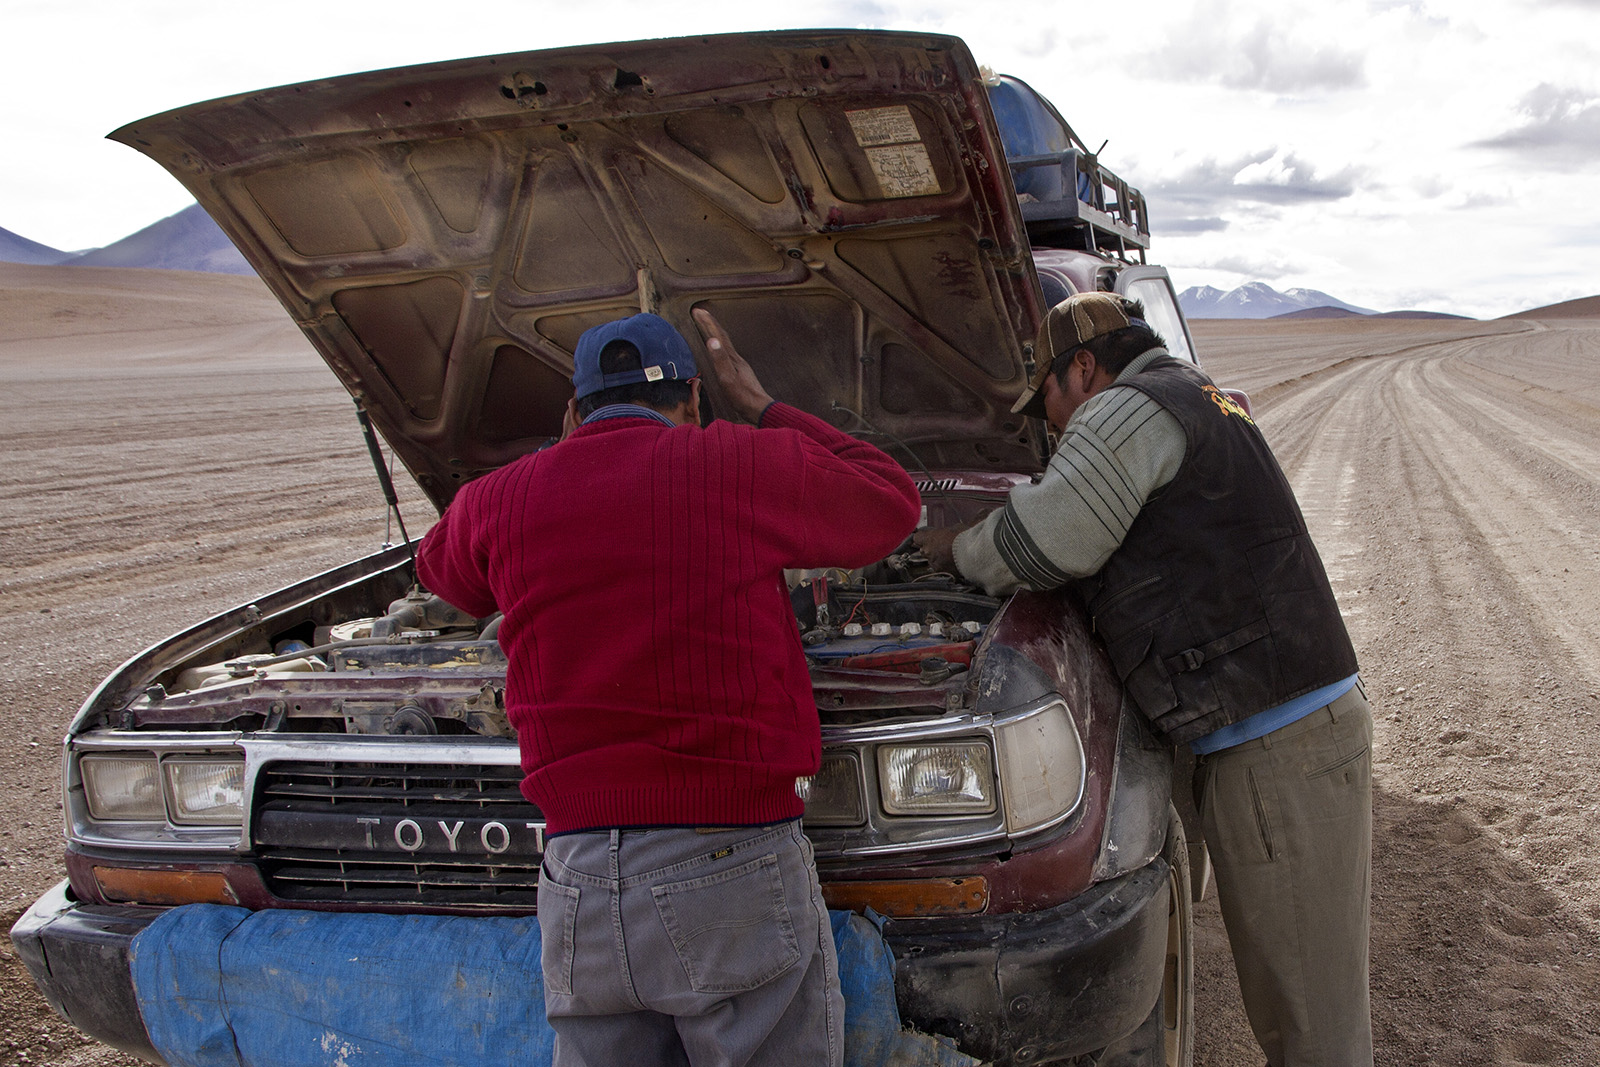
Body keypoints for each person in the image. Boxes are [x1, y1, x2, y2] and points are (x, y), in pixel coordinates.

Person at [415, 308, 921, 1067]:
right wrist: (761, 407)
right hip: (729, 864)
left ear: (573, 409)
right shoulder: (735, 461)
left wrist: (556, 471)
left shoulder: (501, 500)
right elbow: (891, 500)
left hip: (577, 879)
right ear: (691, 401)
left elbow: (440, 571)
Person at [916, 291, 1373, 1067]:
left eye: (1049, 402)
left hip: (1278, 748)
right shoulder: (1197, 392)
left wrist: (948, 551)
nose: (1051, 427)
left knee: (1310, 1025)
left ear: (1084, 368)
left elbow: (1047, 538)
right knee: (1301, 1000)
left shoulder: (1126, 410)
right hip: (1283, 727)